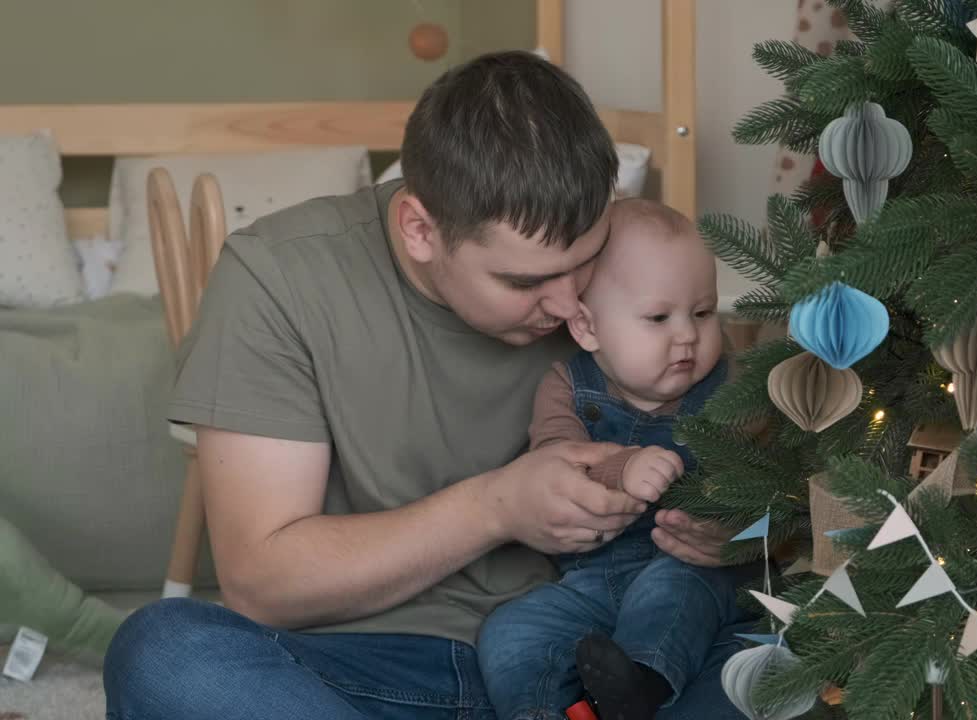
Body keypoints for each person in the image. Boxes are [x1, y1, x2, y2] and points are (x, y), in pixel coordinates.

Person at [102, 51, 750, 720]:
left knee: (795, 651)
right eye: (524, 281)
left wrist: (735, 531)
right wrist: (496, 507)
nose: (566, 306)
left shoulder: (629, 257)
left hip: (610, 656)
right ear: (420, 229)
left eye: (582, 263)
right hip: (378, 669)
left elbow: (748, 437)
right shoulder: (278, 279)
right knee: (165, 653)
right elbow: (264, 583)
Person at [477, 199, 751, 720]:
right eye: (658, 317)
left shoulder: (731, 389)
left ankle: (638, 688)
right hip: (589, 582)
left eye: (703, 312)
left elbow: (773, 480)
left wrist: (732, 527)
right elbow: (555, 464)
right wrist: (619, 467)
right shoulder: (567, 388)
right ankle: (539, 711)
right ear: (587, 327)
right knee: (512, 629)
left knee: (672, 590)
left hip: (690, 566)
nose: (688, 335)